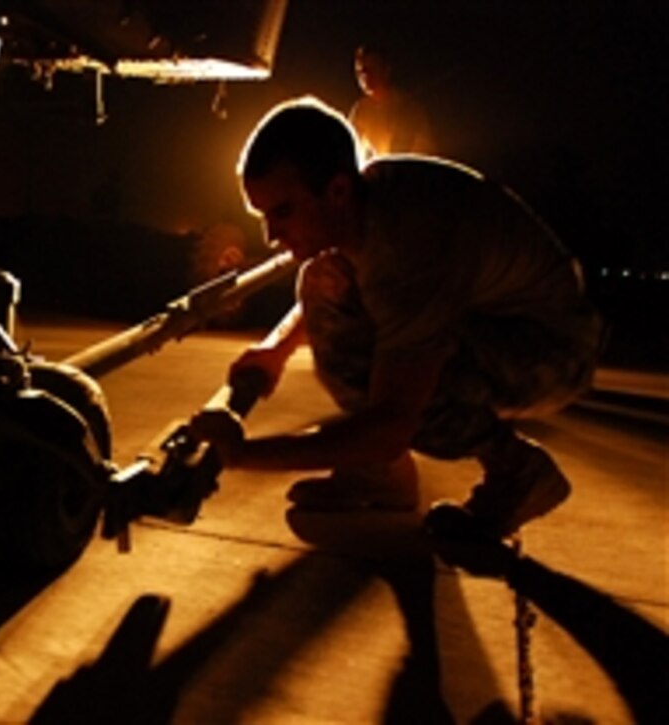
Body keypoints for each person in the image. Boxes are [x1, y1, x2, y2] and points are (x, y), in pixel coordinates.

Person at [189, 97, 602, 539]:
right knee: (321, 282)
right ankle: (382, 477)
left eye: (284, 212)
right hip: (491, 318)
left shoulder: (406, 243)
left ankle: (519, 473)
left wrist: (241, 454)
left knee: (410, 394)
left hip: (550, 349)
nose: (271, 236)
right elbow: (337, 291)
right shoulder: (368, 203)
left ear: (337, 191)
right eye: (264, 215)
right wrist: (276, 350)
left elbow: (391, 423)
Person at [348, 44, 435, 158]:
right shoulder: (361, 110)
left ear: (386, 70)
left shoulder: (407, 108)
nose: (365, 76)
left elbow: (409, 153)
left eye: (372, 69)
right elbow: (351, 147)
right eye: (360, 71)